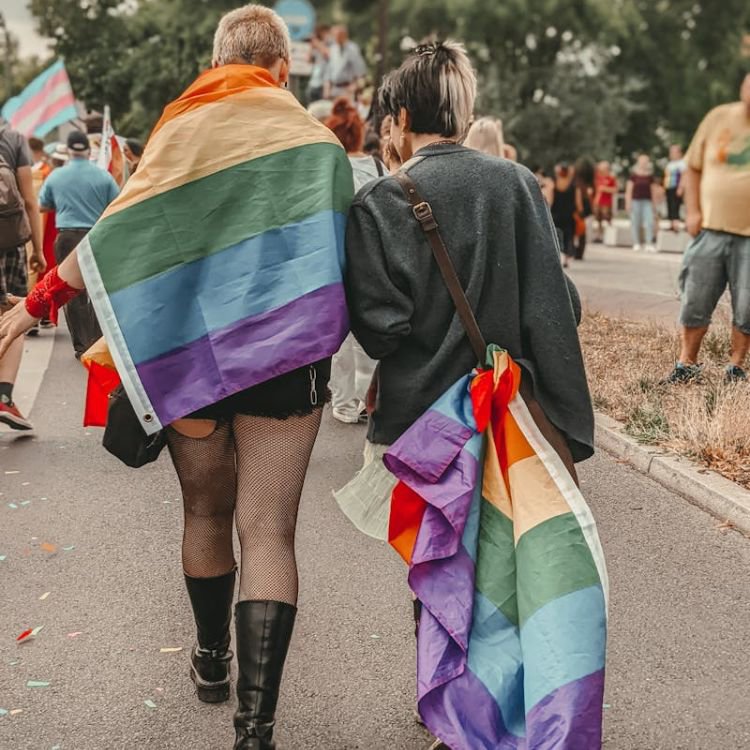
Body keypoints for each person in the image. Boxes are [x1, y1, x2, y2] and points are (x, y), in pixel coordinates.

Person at [0, 6, 351, 748]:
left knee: (203, 514)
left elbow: (122, 231)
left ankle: (212, 659)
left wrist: (36, 303)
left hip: (194, 362)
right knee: (270, 533)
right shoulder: (317, 145)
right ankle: (255, 731)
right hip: (286, 360)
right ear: (281, 70)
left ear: (217, 61)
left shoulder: (182, 131)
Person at [344, 42, 593, 750]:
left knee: (439, 569)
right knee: (507, 565)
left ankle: (445, 707)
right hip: (511, 412)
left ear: (397, 118)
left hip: (427, 424)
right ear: (463, 110)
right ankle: (515, 701)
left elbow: (383, 332)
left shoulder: (379, 202)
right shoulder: (516, 184)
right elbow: (561, 304)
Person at [664, 72, 750, 384]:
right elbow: (693, 167)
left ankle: (736, 367)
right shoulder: (718, 118)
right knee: (696, 295)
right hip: (711, 228)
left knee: (748, 304)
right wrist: (693, 211)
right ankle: (687, 363)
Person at [38, 130, 119, 358]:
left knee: (70, 290)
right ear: (87, 150)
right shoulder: (103, 176)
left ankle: (82, 345)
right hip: (96, 235)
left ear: (69, 151)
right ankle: (100, 340)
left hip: (67, 237)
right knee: (97, 288)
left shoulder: (56, 176)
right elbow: (117, 203)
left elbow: (42, 205)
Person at [325, 97, 381, 424]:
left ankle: (344, 405)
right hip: (370, 261)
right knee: (369, 335)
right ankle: (370, 400)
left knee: (341, 341)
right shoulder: (377, 167)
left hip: (337, 260)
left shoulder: (330, 169)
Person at [0, 118, 45, 430]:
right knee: (14, 310)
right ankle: (4, 397)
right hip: (7, 241)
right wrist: (38, 251)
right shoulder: (13, 139)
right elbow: (30, 201)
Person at [551, 162, 583, 268]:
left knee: (557, 235)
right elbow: (578, 202)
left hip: (556, 214)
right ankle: (567, 258)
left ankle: (559, 255)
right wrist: (580, 212)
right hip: (570, 215)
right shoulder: (574, 185)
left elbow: (550, 199)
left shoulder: (554, 183)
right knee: (569, 236)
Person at [324, 25, 367, 100]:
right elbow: (328, 72)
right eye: (334, 35)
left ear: (344, 35)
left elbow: (360, 73)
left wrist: (354, 87)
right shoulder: (333, 49)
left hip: (348, 89)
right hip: (334, 90)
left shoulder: (353, 49)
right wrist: (327, 90)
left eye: (338, 35)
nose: (336, 38)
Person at [626, 153, 657, 252]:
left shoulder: (650, 176)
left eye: (645, 161)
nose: (644, 163)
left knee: (649, 222)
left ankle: (649, 243)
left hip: (647, 201)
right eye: (642, 161)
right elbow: (629, 190)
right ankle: (636, 243)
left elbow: (653, 190)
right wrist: (628, 203)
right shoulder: (633, 176)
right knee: (635, 222)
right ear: (638, 162)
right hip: (635, 201)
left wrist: (654, 204)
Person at [664, 143, 687, 232]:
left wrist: (681, 187)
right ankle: (671, 224)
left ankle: (676, 225)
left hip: (676, 188)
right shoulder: (670, 164)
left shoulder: (682, 164)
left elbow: (684, 176)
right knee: (670, 206)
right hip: (669, 188)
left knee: (676, 206)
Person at [593, 160, 617, 242]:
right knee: (598, 219)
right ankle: (598, 236)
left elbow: (615, 190)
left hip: (606, 202)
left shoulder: (611, 178)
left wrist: (605, 189)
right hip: (597, 202)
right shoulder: (597, 177)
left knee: (607, 218)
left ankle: (610, 236)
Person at [306, 24, 331, 102]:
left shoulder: (331, 45)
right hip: (314, 82)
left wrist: (317, 43)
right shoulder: (317, 46)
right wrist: (311, 46)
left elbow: (328, 55)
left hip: (325, 84)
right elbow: (308, 60)